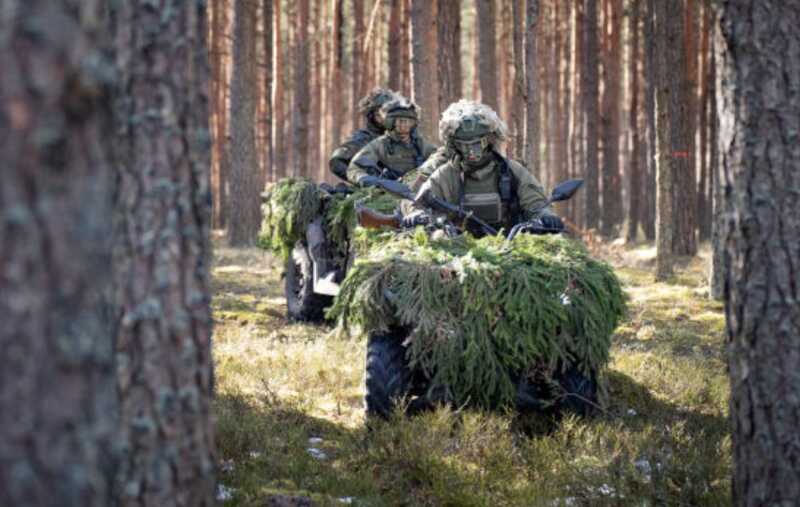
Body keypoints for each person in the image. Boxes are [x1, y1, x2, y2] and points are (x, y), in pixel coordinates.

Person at [410, 100, 564, 236]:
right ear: (454, 145)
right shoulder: (446, 175)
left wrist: (545, 215)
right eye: (464, 145)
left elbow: (535, 203)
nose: (471, 151)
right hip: (458, 251)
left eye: (478, 143)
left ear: (490, 140)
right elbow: (419, 203)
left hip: (510, 248)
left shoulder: (511, 171)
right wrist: (417, 215)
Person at [346, 97, 437, 186]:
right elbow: (354, 168)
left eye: (408, 121)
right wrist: (369, 180)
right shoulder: (380, 144)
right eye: (400, 121)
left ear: (414, 123)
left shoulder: (420, 144)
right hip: (385, 193)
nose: (404, 125)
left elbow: (440, 158)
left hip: (415, 191)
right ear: (391, 122)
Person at [328, 87, 397, 181]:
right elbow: (336, 162)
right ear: (372, 116)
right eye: (380, 113)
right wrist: (363, 180)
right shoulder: (364, 138)